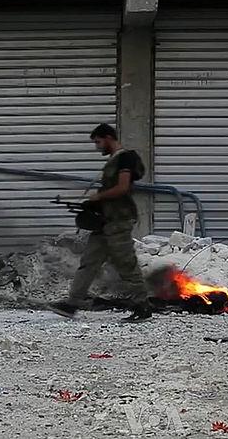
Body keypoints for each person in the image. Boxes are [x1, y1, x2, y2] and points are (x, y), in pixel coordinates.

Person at [47, 123, 153, 323]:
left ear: (108, 137)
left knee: (125, 262)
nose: (97, 147)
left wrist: (98, 198)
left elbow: (122, 188)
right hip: (106, 221)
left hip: (119, 220)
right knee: (89, 262)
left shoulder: (125, 158)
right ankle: (72, 303)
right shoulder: (113, 161)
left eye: (98, 142)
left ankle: (142, 306)